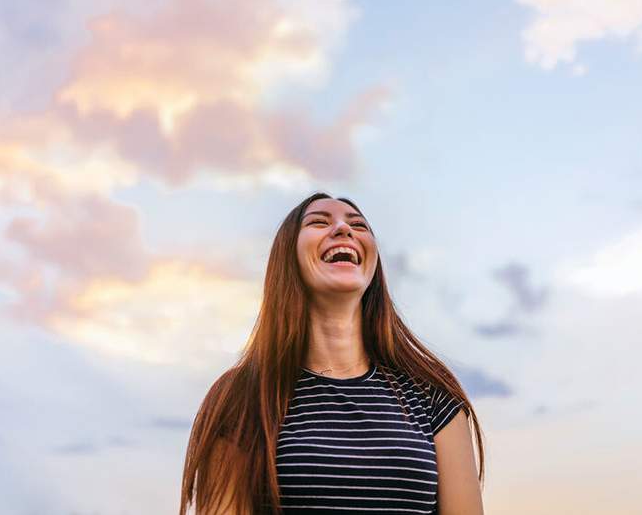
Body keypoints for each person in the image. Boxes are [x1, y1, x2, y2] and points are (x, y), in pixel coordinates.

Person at [180, 192, 485, 515]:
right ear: (287, 257)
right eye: (319, 222)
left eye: (358, 225)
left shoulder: (434, 398)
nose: (343, 229)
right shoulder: (241, 397)